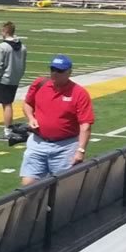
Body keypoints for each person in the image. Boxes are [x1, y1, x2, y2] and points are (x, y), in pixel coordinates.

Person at [21, 56, 95, 185]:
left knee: (64, 186)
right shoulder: (39, 84)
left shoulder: (79, 93)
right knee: (28, 184)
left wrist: (80, 150)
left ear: (69, 72)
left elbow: (85, 125)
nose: (54, 73)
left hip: (65, 146)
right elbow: (27, 104)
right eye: (52, 69)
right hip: (38, 143)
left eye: (59, 71)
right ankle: (38, 205)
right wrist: (31, 118)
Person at [0, 21, 28, 135]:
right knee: (8, 103)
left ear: (5, 31)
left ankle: (7, 129)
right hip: (15, 78)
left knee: (6, 104)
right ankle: (8, 128)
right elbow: (23, 64)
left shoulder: (2, 47)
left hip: (4, 78)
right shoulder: (22, 46)